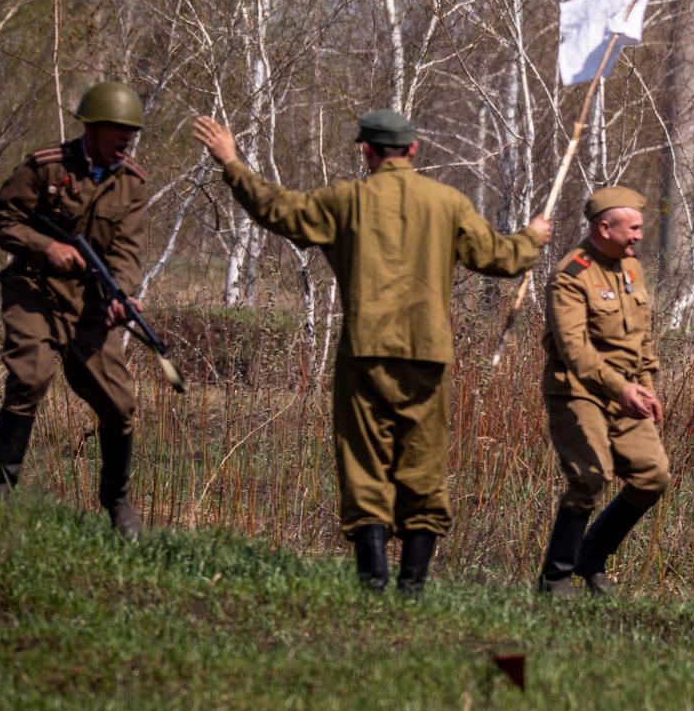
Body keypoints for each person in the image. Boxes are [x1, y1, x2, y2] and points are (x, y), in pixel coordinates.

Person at [192, 110, 550, 594]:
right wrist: (533, 237)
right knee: (424, 465)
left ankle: (373, 580)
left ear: (366, 151)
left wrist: (232, 163)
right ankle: (413, 585)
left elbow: (278, 210)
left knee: (364, 461)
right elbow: (502, 259)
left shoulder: (347, 200)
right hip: (427, 354)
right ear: (414, 150)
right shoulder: (448, 202)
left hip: (366, 351)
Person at [0, 81, 150, 536]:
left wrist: (124, 294)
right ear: (92, 128)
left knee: (119, 404)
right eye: (118, 131)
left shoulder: (131, 182)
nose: (125, 140)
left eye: (130, 133)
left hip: (90, 303)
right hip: (34, 289)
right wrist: (46, 246)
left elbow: (128, 251)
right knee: (31, 376)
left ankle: (117, 503)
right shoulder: (44, 167)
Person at [536, 187, 669, 596]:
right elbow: (575, 351)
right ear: (603, 227)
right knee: (589, 477)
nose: (640, 236)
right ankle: (556, 577)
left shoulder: (631, 268)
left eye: (641, 228)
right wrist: (621, 388)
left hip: (626, 391)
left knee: (652, 476)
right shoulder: (570, 275)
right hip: (578, 391)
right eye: (633, 228)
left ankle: (590, 557)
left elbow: (641, 338)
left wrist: (645, 386)